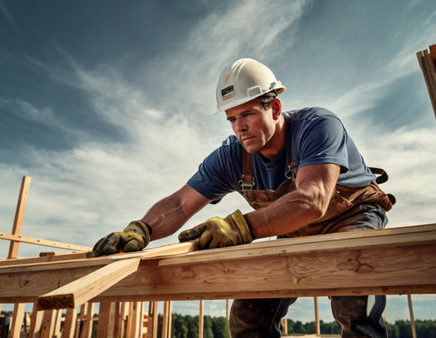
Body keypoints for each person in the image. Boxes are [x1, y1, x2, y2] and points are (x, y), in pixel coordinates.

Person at [92, 58, 395, 337]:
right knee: (248, 315)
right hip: (294, 231)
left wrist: (240, 228)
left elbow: (312, 199)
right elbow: (181, 203)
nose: (240, 127)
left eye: (248, 113)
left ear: (275, 108)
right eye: (232, 119)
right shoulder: (231, 157)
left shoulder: (317, 126)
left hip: (352, 216)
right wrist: (141, 229)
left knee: (353, 298)